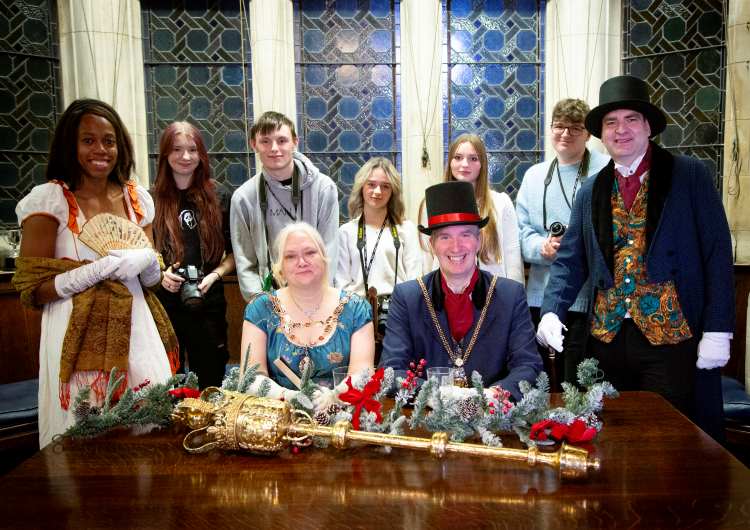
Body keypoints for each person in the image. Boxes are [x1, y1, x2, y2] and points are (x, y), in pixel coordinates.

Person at [537, 75, 734, 439]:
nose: (620, 130)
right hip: (607, 340)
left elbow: (717, 254)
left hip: (670, 338)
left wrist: (719, 328)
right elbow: (570, 261)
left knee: (670, 442)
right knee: (611, 437)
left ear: (647, 127)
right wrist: (552, 309)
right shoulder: (591, 189)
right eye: (611, 122)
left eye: (630, 119)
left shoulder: (689, 175)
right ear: (601, 133)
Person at [12, 99, 177, 448]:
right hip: (76, 332)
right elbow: (33, 289)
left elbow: (152, 281)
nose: (100, 149)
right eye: (88, 140)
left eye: (109, 140)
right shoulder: (49, 200)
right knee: (86, 434)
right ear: (70, 145)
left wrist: (147, 263)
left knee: (151, 425)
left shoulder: (137, 199)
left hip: (137, 329)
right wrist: (94, 272)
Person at [381, 181, 542, 399]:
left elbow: (528, 366)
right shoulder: (407, 297)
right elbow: (390, 372)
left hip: (494, 419)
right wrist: (438, 395)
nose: (456, 247)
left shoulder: (510, 295)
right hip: (428, 421)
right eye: (445, 237)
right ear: (432, 245)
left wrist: (494, 395)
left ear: (479, 241)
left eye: (465, 235)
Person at [516, 99, 610, 385]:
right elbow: (521, 233)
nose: (565, 134)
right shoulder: (534, 176)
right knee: (543, 382)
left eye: (575, 128)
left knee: (580, 383)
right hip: (541, 298)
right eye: (559, 127)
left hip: (589, 301)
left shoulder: (606, 170)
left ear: (588, 134)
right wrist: (542, 248)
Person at [240, 223, 375, 395]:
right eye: (290, 256)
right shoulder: (260, 309)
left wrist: (333, 397)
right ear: (279, 268)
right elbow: (252, 377)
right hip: (276, 415)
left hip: (340, 414)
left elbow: (363, 374)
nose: (302, 262)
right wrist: (287, 397)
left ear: (325, 258)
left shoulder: (355, 308)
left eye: (310, 253)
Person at [152, 122, 235, 388]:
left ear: (201, 155)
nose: (185, 157)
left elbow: (235, 255)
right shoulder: (150, 199)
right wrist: (160, 275)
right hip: (166, 302)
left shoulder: (220, 197)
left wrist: (214, 275)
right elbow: (143, 251)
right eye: (177, 149)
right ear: (165, 154)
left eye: (192, 149)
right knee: (167, 380)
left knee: (211, 380)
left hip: (208, 299)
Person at [231, 111, 339, 302]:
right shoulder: (243, 198)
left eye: (282, 140)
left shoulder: (324, 188)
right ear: (253, 144)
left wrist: (320, 298)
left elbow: (329, 248)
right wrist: (261, 303)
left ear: (295, 142)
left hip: (316, 297)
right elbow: (244, 261)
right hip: (268, 301)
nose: (274, 148)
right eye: (265, 141)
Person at [419, 134, 524, 284]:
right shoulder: (432, 203)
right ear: (450, 163)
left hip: (494, 291)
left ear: (482, 164)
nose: (465, 164)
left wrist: (515, 298)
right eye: (458, 157)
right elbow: (426, 256)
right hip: (445, 291)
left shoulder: (501, 203)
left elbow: (512, 255)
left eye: (473, 159)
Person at [335, 157, 421, 339]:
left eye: (385, 186)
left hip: (398, 314)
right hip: (356, 316)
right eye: (371, 184)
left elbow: (415, 278)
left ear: (393, 192)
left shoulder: (406, 229)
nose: (377, 191)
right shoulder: (346, 232)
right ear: (361, 187)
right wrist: (359, 308)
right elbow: (341, 284)